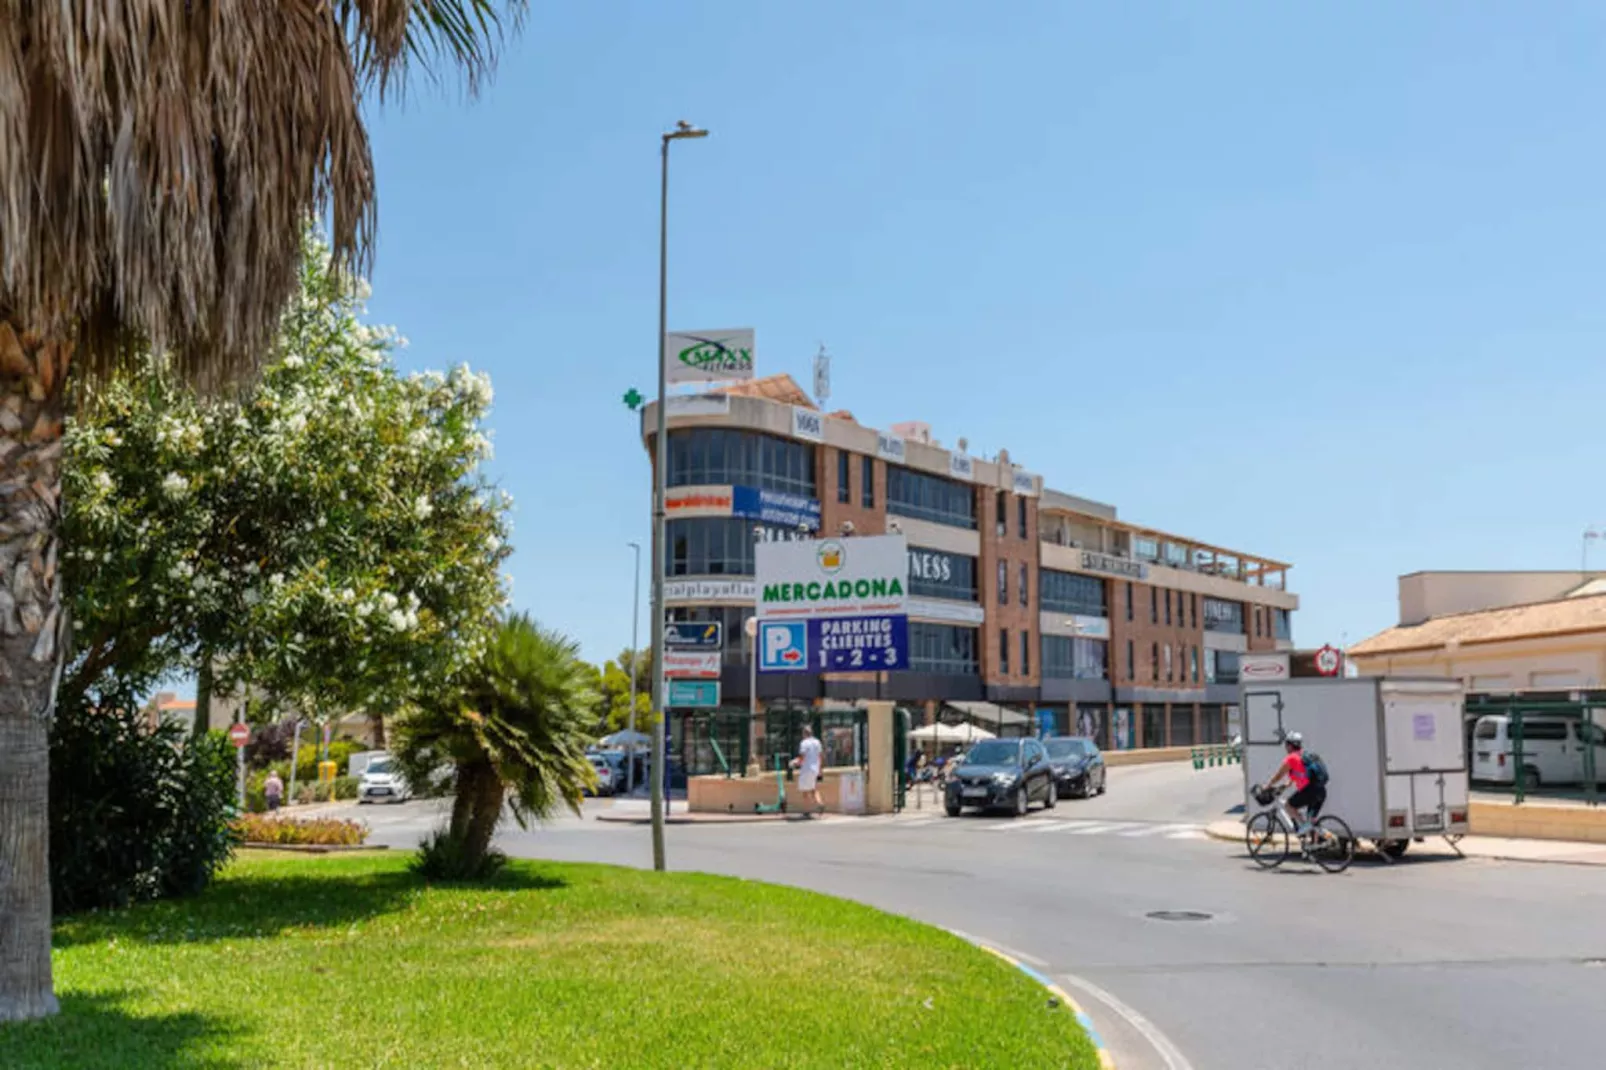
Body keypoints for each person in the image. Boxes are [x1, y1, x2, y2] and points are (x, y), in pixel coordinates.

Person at [1265, 731, 1324, 835]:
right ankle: (1316, 842)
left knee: (1288, 805)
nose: (1286, 747)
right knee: (1310, 820)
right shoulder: (1303, 755)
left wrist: (1268, 785)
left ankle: (1303, 830)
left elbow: (1279, 775)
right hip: (1320, 791)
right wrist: (1286, 785)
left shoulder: (1291, 758)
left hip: (1309, 791)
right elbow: (1299, 775)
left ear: (1290, 745)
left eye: (1286, 744)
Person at [792, 725, 824, 816]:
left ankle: (806, 811)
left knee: (805, 791)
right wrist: (820, 769)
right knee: (813, 788)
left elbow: (802, 756)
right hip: (815, 768)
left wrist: (796, 763)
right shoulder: (817, 742)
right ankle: (820, 803)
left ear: (804, 733)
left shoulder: (804, 743)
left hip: (806, 768)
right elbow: (820, 756)